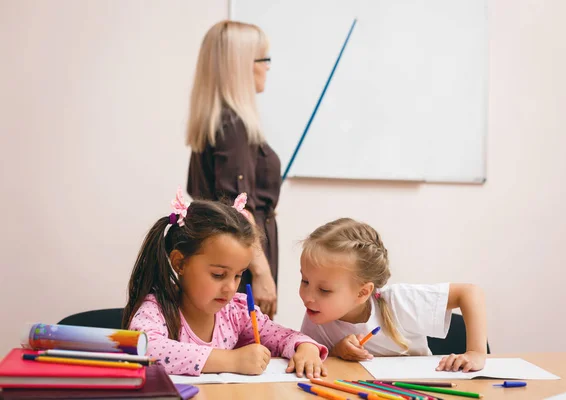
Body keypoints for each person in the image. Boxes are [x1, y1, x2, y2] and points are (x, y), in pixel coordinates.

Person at [122, 188, 327, 377]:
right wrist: (231, 360)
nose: (230, 288)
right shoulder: (155, 309)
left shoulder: (236, 312)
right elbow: (145, 348)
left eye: (238, 275)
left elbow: (283, 336)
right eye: (219, 275)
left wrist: (306, 348)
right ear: (180, 263)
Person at [299, 218, 487, 372]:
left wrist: (476, 353)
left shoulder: (398, 301)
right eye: (305, 281)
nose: (308, 296)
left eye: (324, 290)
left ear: (363, 292)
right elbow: (317, 362)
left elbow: (471, 293)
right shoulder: (316, 315)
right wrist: (336, 351)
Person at [185, 20, 280, 319]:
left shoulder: (217, 122)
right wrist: (262, 273)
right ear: (241, 66)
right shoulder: (234, 127)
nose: (267, 67)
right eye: (263, 59)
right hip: (242, 267)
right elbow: (237, 210)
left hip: (223, 259)